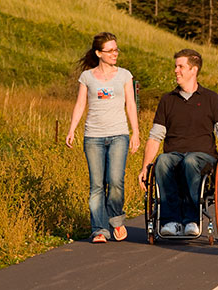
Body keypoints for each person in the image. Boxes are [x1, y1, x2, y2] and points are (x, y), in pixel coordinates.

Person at [138, 49, 218, 237]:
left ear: (194, 70)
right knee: (163, 161)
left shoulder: (210, 98)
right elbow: (155, 136)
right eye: (175, 66)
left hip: (203, 158)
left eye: (181, 66)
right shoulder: (168, 100)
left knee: (190, 161)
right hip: (174, 155)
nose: (176, 71)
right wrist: (145, 167)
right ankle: (171, 221)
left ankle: (191, 219)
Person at [66, 32, 141, 243]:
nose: (115, 54)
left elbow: (131, 104)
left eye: (116, 49)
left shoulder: (125, 75)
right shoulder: (87, 77)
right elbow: (80, 104)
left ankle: (116, 220)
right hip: (93, 137)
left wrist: (135, 131)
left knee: (115, 181)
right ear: (99, 53)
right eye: (110, 51)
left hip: (119, 135)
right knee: (97, 185)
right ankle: (99, 229)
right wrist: (72, 129)